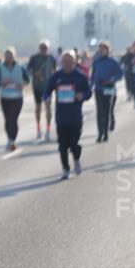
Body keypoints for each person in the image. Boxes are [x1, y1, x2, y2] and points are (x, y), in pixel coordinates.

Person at [43, 51, 92, 180]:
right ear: (61, 62)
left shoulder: (80, 77)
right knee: (62, 145)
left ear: (75, 61)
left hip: (75, 116)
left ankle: (76, 158)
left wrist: (82, 95)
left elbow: (88, 92)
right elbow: (47, 91)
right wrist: (47, 98)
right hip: (61, 117)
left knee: (74, 143)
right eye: (65, 61)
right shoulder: (56, 76)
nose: (67, 64)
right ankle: (65, 169)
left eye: (70, 61)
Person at [0, 47, 29, 151]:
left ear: (14, 56)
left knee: (13, 119)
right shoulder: (0, 67)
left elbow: (27, 79)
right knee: (7, 120)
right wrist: (2, 83)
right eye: (7, 55)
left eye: (10, 55)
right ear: (4, 56)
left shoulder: (20, 67)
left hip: (17, 97)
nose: (8, 57)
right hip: (5, 97)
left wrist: (22, 85)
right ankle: (10, 139)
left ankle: (12, 140)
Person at [90, 41, 122, 143]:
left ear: (107, 50)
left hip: (109, 88)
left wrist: (112, 79)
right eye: (100, 49)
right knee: (99, 112)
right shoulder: (96, 62)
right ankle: (100, 134)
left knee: (107, 111)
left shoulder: (113, 62)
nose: (101, 51)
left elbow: (120, 74)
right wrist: (90, 87)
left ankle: (106, 133)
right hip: (98, 88)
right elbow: (92, 75)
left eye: (103, 49)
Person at [26, 41, 57, 142]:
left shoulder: (51, 58)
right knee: (38, 107)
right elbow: (28, 70)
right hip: (37, 86)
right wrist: (35, 73)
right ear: (39, 48)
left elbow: (54, 71)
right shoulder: (34, 58)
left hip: (48, 87)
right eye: (42, 48)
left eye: (45, 48)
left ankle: (48, 129)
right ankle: (38, 128)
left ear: (48, 49)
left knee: (48, 107)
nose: (43, 50)